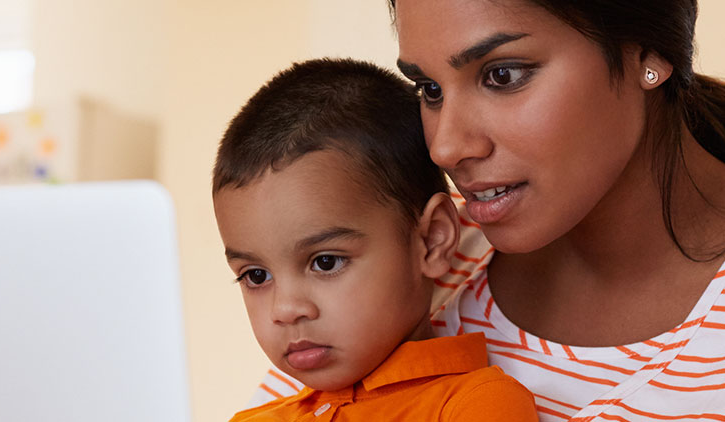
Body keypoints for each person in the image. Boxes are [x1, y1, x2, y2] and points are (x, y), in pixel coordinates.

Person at [252, 1, 725, 420]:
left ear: (650, 52)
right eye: (429, 89)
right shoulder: (412, 247)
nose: (445, 147)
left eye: (503, 75)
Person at [212, 58, 539, 421]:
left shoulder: (476, 405)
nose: (285, 310)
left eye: (326, 262)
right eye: (256, 276)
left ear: (431, 240)